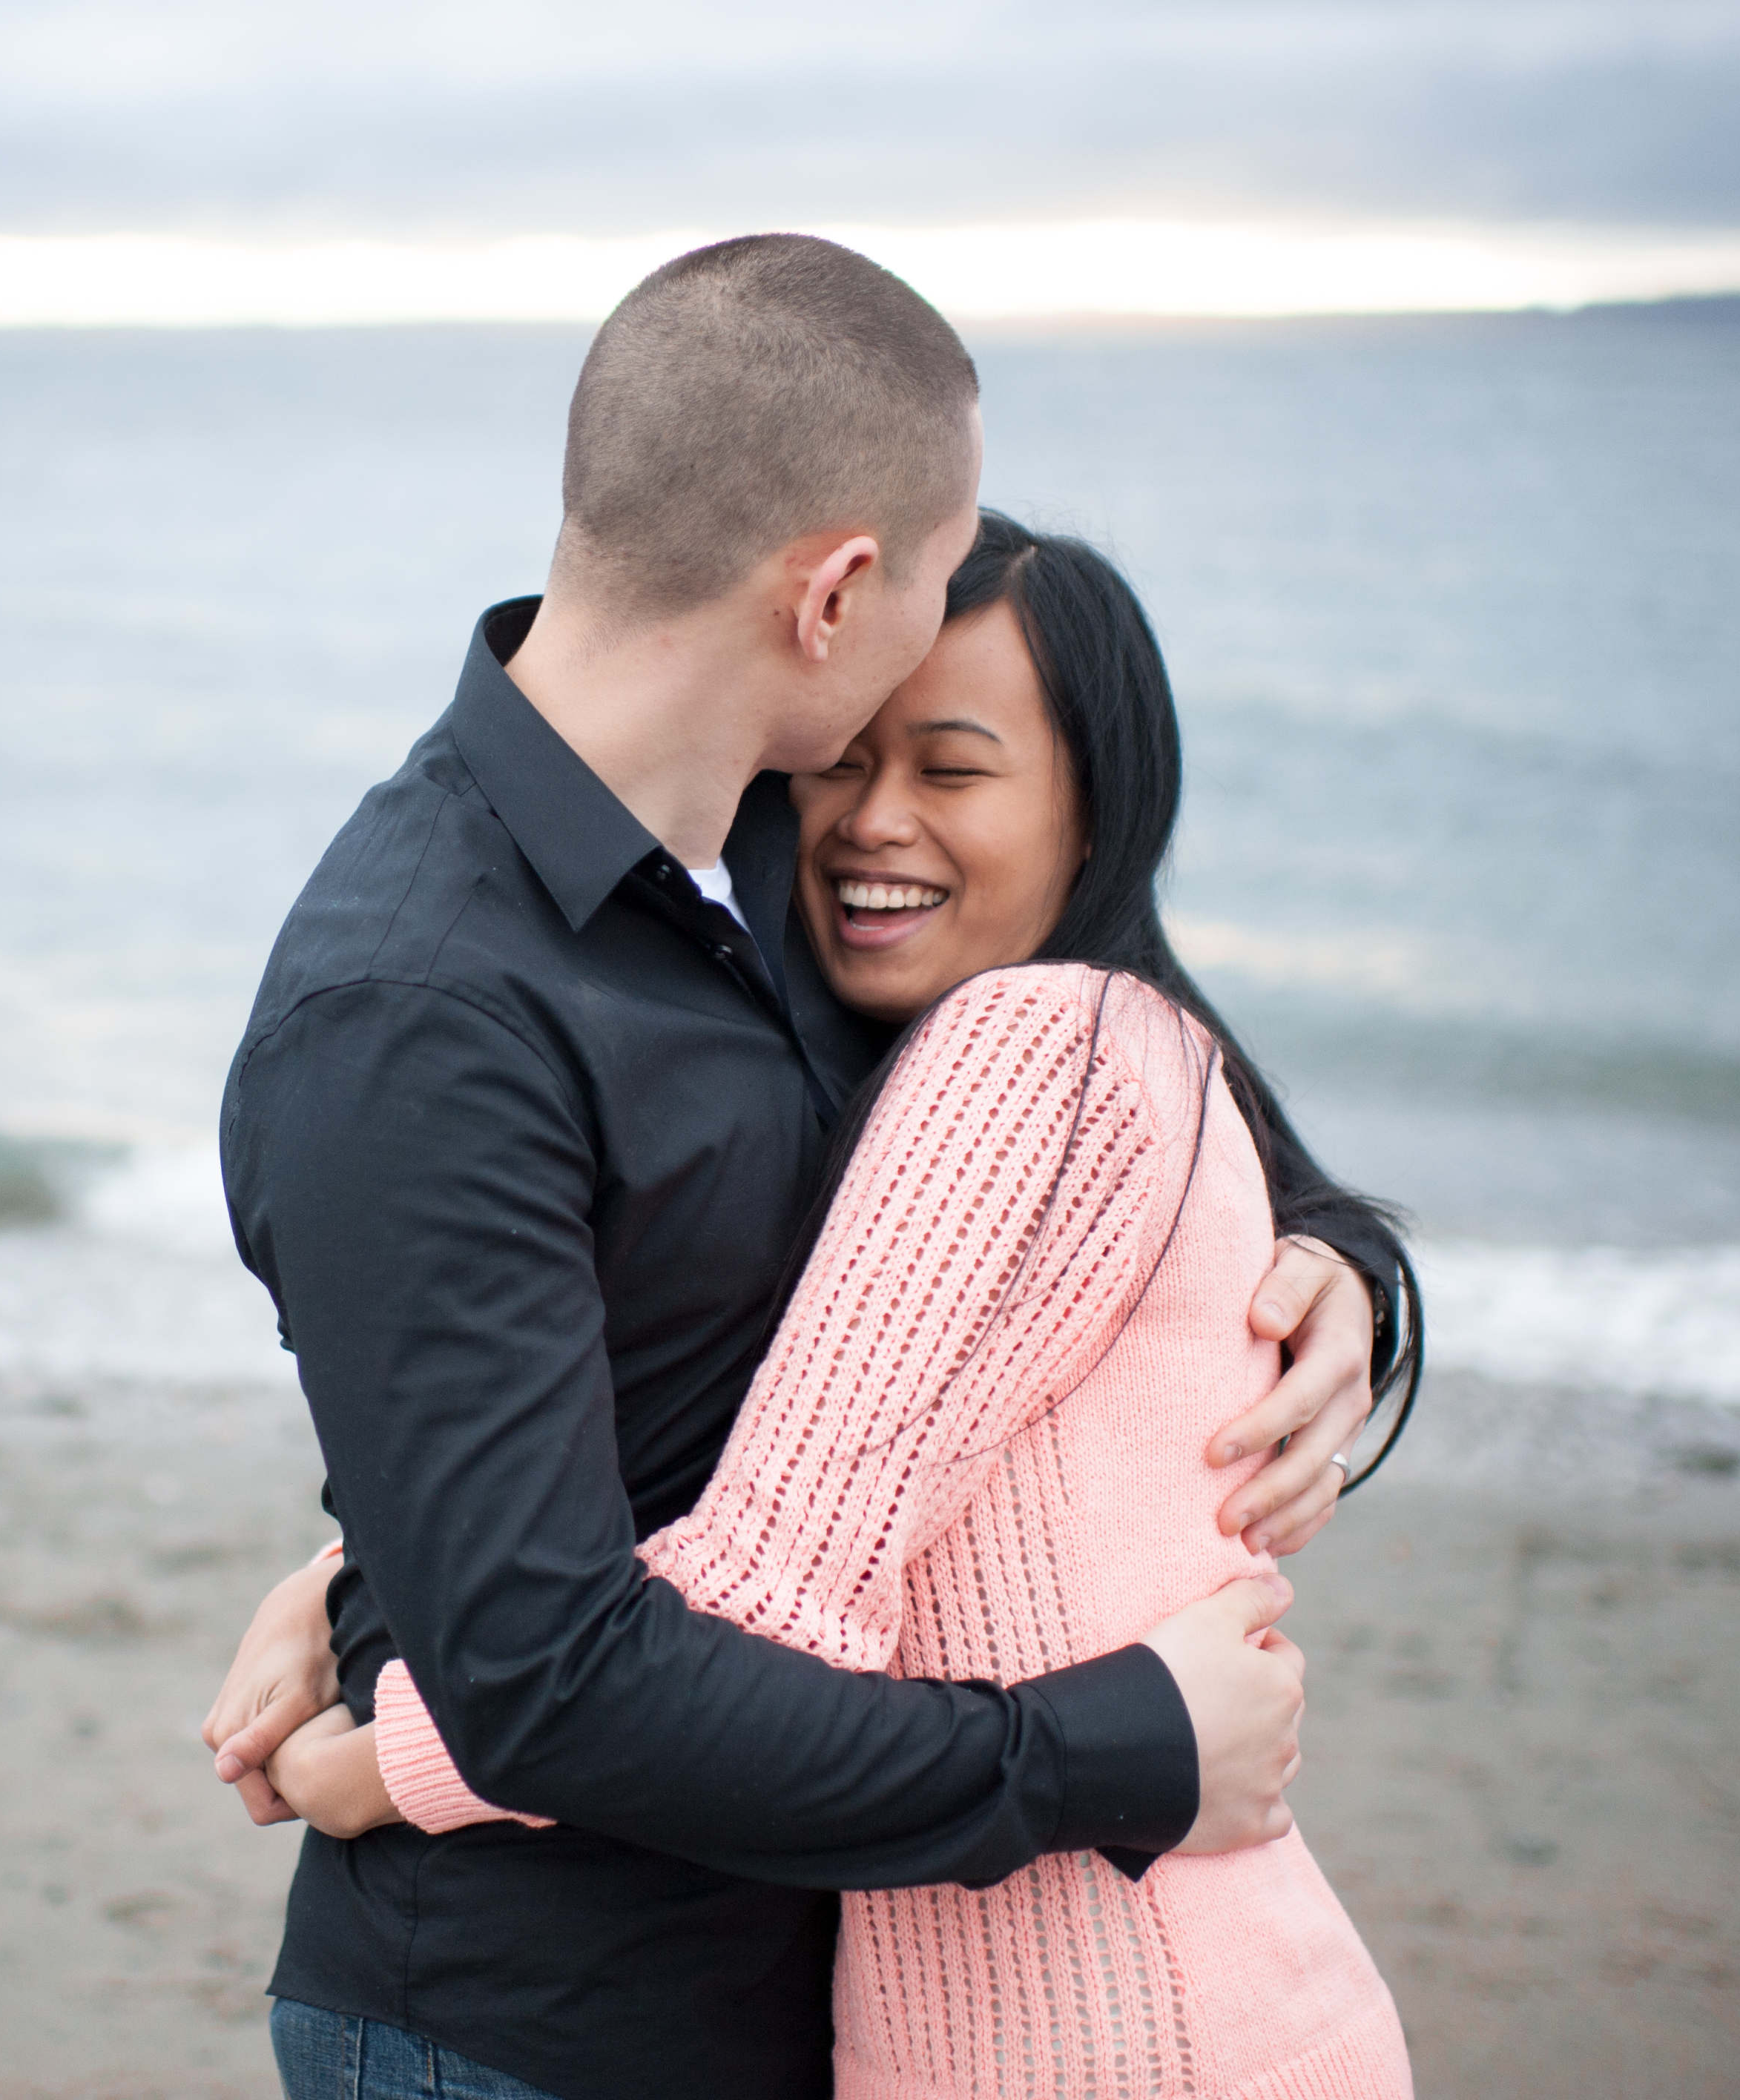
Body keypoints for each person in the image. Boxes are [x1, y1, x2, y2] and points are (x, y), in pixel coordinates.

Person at [212, 237, 1403, 2100]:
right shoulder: (419, 1012)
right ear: (840, 589)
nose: (890, 802)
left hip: (839, 1996)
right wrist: (1116, 1752)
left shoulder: (781, 877)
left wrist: (1334, 1270)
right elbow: (551, 1680)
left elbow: (1053, 1147)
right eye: (935, 581)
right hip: (542, 2029)